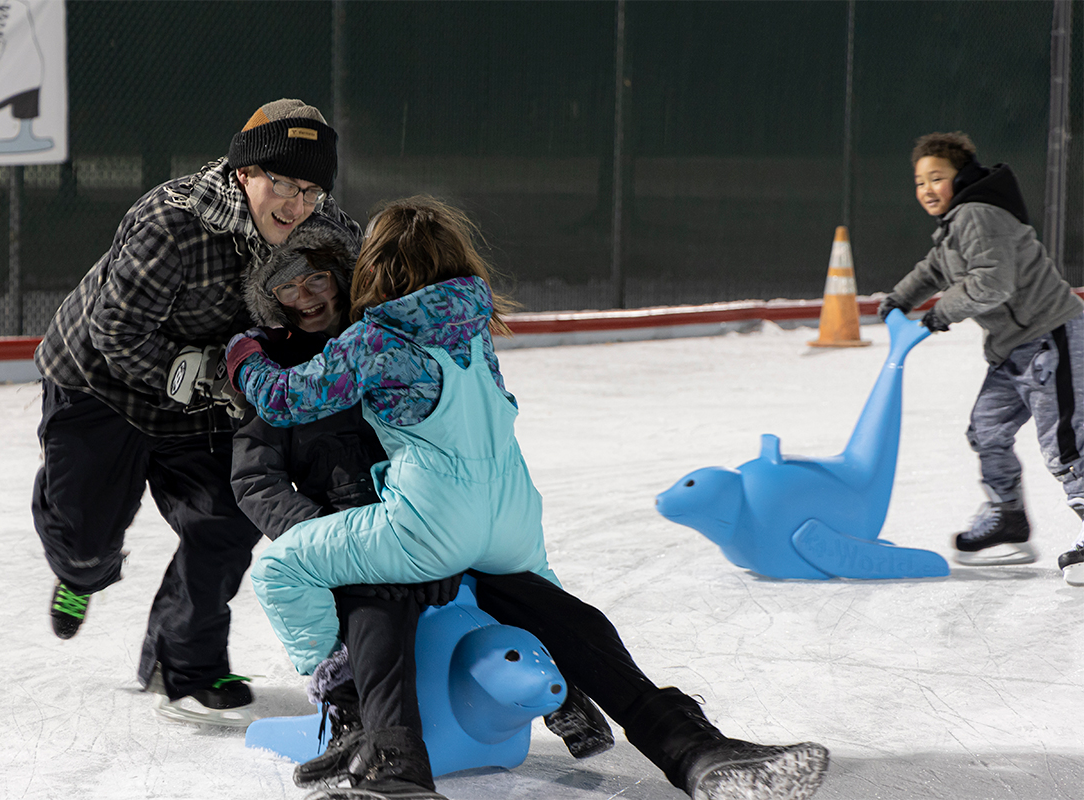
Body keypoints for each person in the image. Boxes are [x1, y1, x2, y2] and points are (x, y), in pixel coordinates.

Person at [228, 198, 830, 799]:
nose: (306, 295)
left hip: (425, 520)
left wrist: (243, 361)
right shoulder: (469, 326)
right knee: (544, 608)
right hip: (503, 511)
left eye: (318, 278)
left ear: (359, 271)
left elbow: (288, 399)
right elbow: (258, 479)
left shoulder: (371, 339)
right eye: (288, 287)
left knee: (289, 570)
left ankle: (388, 758)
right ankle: (689, 746)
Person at [31, 97, 360, 726]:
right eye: (282, 184)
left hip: (204, 401)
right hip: (100, 386)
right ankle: (79, 573)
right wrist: (214, 375)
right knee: (83, 536)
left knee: (227, 522)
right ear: (245, 173)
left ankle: (185, 661)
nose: (295, 205)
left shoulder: (324, 234)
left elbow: (372, 294)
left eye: (311, 189)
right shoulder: (173, 221)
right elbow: (118, 331)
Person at [878, 131, 1084, 585]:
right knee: (987, 430)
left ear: (963, 177)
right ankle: (1008, 518)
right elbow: (934, 268)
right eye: (919, 182)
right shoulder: (955, 226)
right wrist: (898, 300)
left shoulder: (978, 215)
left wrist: (936, 316)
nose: (927, 189)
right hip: (1011, 349)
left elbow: (993, 284)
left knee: (1065, 444)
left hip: (1052, 337)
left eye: (938, 178)